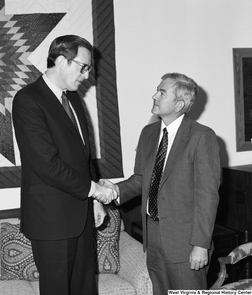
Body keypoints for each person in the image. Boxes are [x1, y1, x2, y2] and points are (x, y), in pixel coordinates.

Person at [12, 35, 117, 295]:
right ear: (61, 61)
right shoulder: (28, 100)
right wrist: (94, 190)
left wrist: (95, 201)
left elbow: (84, 158)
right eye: (83, 67)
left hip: (81, 215)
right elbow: (46, 164)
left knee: (85, 289)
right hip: (51, 221)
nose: (87, 75)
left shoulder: (73, 99)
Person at [100, 73, 221, 293]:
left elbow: (207, 196)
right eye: (157, 90)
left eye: (162, 92)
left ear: (180, 103)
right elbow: (141, 179)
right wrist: (115, 190)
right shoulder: (148, 133)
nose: (154, 95)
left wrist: (201, 244)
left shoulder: (202, 136)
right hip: (153, 238)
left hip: (186, 242)